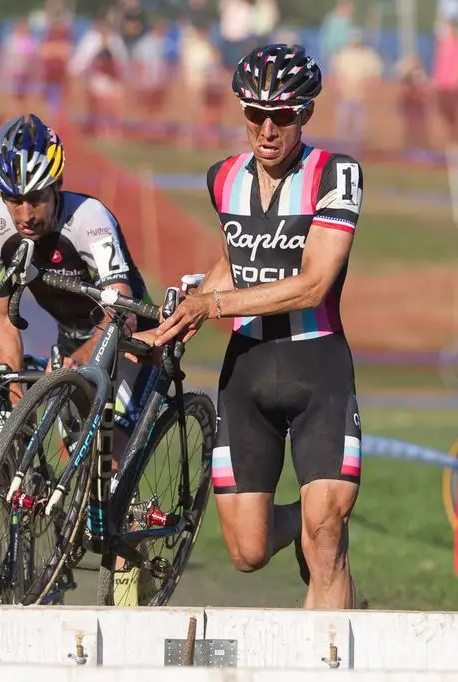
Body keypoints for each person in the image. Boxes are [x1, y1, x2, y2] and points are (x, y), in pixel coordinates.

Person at [149, 44, 363, 609]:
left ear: (306, 114)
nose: (267, 129)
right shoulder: (223, 178)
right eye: (254, 114)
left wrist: (213, 307)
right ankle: (309, 524)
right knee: (247, 551)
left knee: (327, 540)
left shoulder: (336, 176)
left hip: (316, 365)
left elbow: (314, 283)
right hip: (246, 370)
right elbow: (233, 262)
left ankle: (326, 543)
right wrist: (186, 309)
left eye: (283, 115)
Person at [0, 113, 158, 461]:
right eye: (13, 199)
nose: (25, 214)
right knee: (72, 462)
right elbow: (0, 318)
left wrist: (82, 359)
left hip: (133, 337)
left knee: (109, 454)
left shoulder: (90, 219)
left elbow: (123, 311)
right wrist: (11, 402)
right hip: (72, 339)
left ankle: (122, 511)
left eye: (36, 197)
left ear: (57, 185)